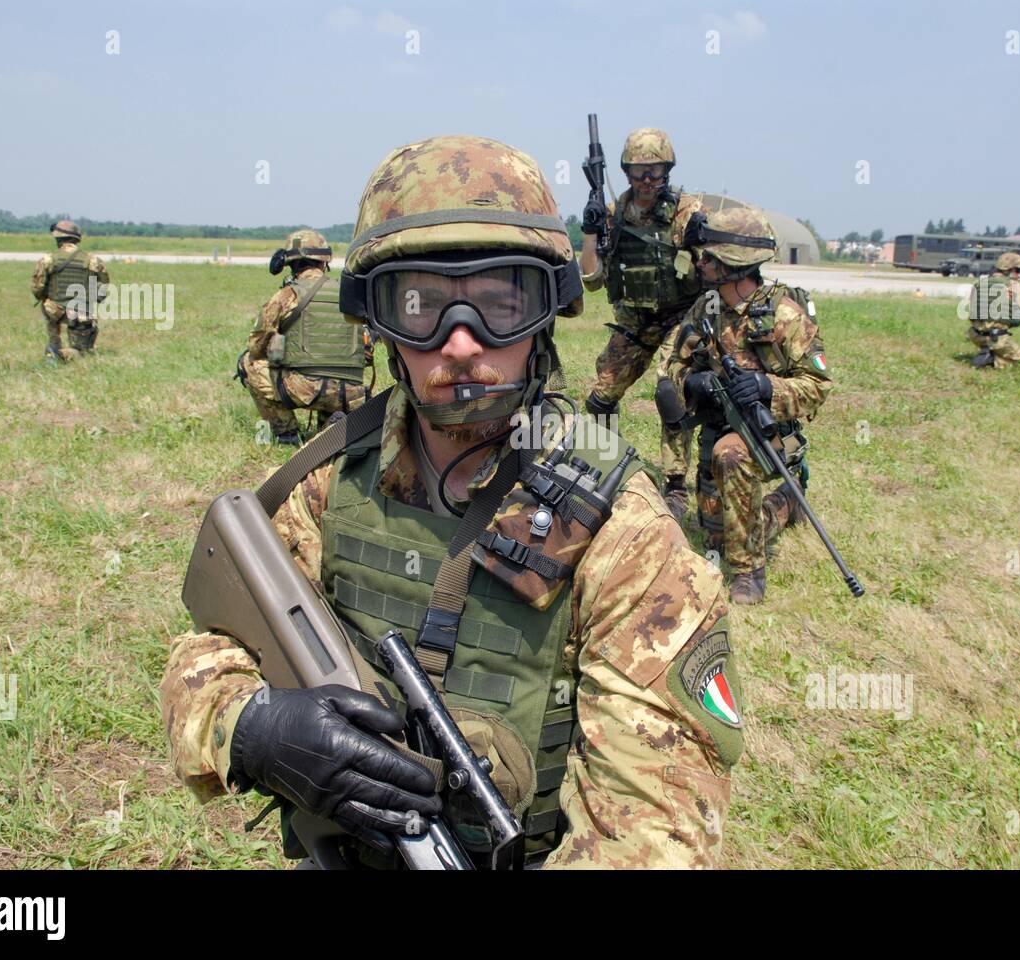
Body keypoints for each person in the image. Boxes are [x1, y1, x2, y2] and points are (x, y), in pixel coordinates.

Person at [161, 135, 740, 869]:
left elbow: (654, 836)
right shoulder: (333, 479)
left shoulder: (626, 534)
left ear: (546, 313)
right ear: (375, 322)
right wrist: (251, 727)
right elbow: (207, 648)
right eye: (420, 305)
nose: (461, 344)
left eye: (501, 302)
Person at [666, 206, 832, 604]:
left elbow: (819, 385)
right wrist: (692, 381)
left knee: (731, 456)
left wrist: (765, 386)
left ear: (734, 263)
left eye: (711, 256)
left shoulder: (784, 314)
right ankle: (786, 505)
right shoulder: (706, 309)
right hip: (719, 429)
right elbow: (670, 367)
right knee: (717, 535)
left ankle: (748, 572)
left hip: (766, 436)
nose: (701, 263)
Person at [578, 128, 704, 519]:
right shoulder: (615, 214)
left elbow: (711, 271)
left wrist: (703, 241)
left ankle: (676, 485)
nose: (647, 181)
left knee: (669, 391)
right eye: (638, 173)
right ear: (626, 173)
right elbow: (593, 280)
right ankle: (607, 468)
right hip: (635, 321)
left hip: (678, 317)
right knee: (599, 399)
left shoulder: (685, 210)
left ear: (667, 171)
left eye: (654, 172)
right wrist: (589, 230)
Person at [237, 229, 373, 445]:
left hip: (303, 390)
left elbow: (256, 346)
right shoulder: (348, 295)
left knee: (248, 363)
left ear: (291, 263)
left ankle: (287, 434)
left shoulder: (286, 296)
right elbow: (367, 351)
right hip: (350, 394)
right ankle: (332, 428)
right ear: (324, 261)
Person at [29, 219, 109, 361]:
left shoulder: (48, 259)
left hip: (54, 310)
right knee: (82, 352)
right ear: (77, 238)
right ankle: (62, 354)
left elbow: (37, 287)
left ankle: (54, 346)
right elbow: (104, 285)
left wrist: (44, 297)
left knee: (47, 305)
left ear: (57, 238)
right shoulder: (92, 260)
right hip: (80, 312)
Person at [967, 251, 1020, 369]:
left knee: (997, 346)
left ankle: (987, 351)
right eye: (1018, 271)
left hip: (975, 335)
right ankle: (992, 360)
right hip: (998, 338)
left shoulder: (978, 284)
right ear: (1009, 270)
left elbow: (972, 313)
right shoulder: (1014, 287)